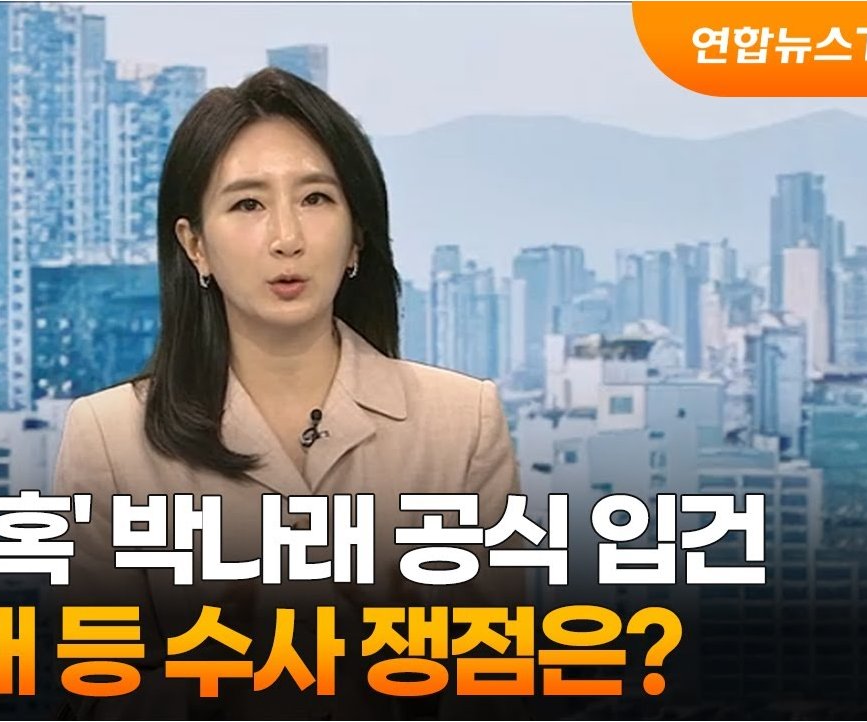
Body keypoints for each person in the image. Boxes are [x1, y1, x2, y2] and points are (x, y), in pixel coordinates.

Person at [54, 67, 522, 719]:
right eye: (248, 204)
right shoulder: (109, 437)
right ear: (195, 245)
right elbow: (90, 694)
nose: (287, 239)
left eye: (316, 199)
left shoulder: (462, 424)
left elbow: (499, 687)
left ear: (357, 235)